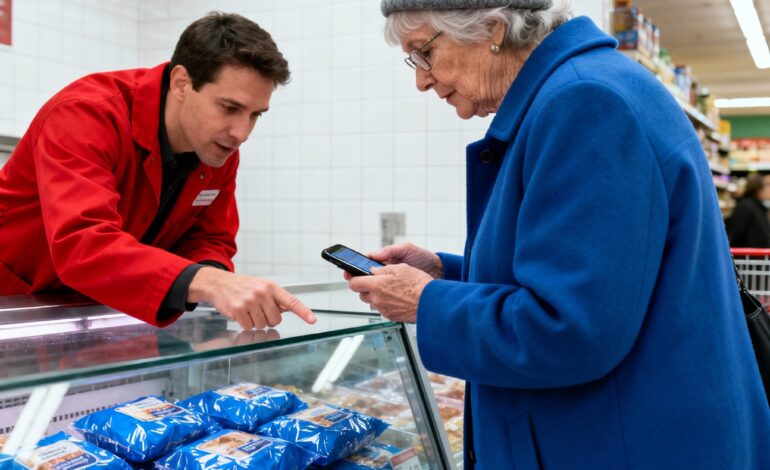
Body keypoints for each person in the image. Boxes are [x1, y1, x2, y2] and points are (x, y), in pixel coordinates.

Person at [346, 0, 770, 467]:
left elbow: (572, 327)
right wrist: (447, 274)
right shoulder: (590, 85)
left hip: (628, 443)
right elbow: (600, 273)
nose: (421, 79)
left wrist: (426, 302)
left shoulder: (586, 103)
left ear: (491, 29)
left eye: (423, 51)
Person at [0, 12, 315, 330]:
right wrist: (206, 281)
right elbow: (84, 243)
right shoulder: (85, 115)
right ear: (181, 83)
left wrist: (212, 276)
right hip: (16, 307)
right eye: (230, 108)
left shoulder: (217, 148)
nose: (242, 133)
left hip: (104, 316)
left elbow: (210, 237)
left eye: (255, 115)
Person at [727, 174, 770, 247]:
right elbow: (736, 234)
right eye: (767, 186)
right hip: (748, 256)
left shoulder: (759, 206)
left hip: (755, 256)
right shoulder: (745, 206)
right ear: (758, 189)